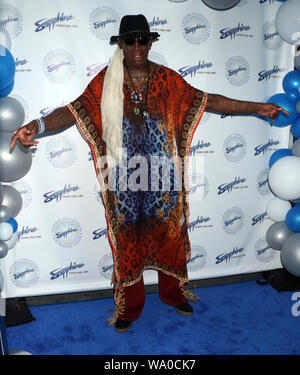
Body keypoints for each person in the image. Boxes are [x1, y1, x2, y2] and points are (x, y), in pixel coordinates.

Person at [10, 14, 288, 333]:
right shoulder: (105, 82)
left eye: (143, 39)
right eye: (130, 40)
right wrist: (37, 125)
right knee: (129, 243)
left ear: (151, 41)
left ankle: (173, 293)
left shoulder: (169, 80)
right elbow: (72, 112)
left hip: (163, 179)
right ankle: (130, 306)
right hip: (124, 182)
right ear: (121, 45)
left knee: (168, 235)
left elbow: (209, 101)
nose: (137, 47)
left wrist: (257, 107)